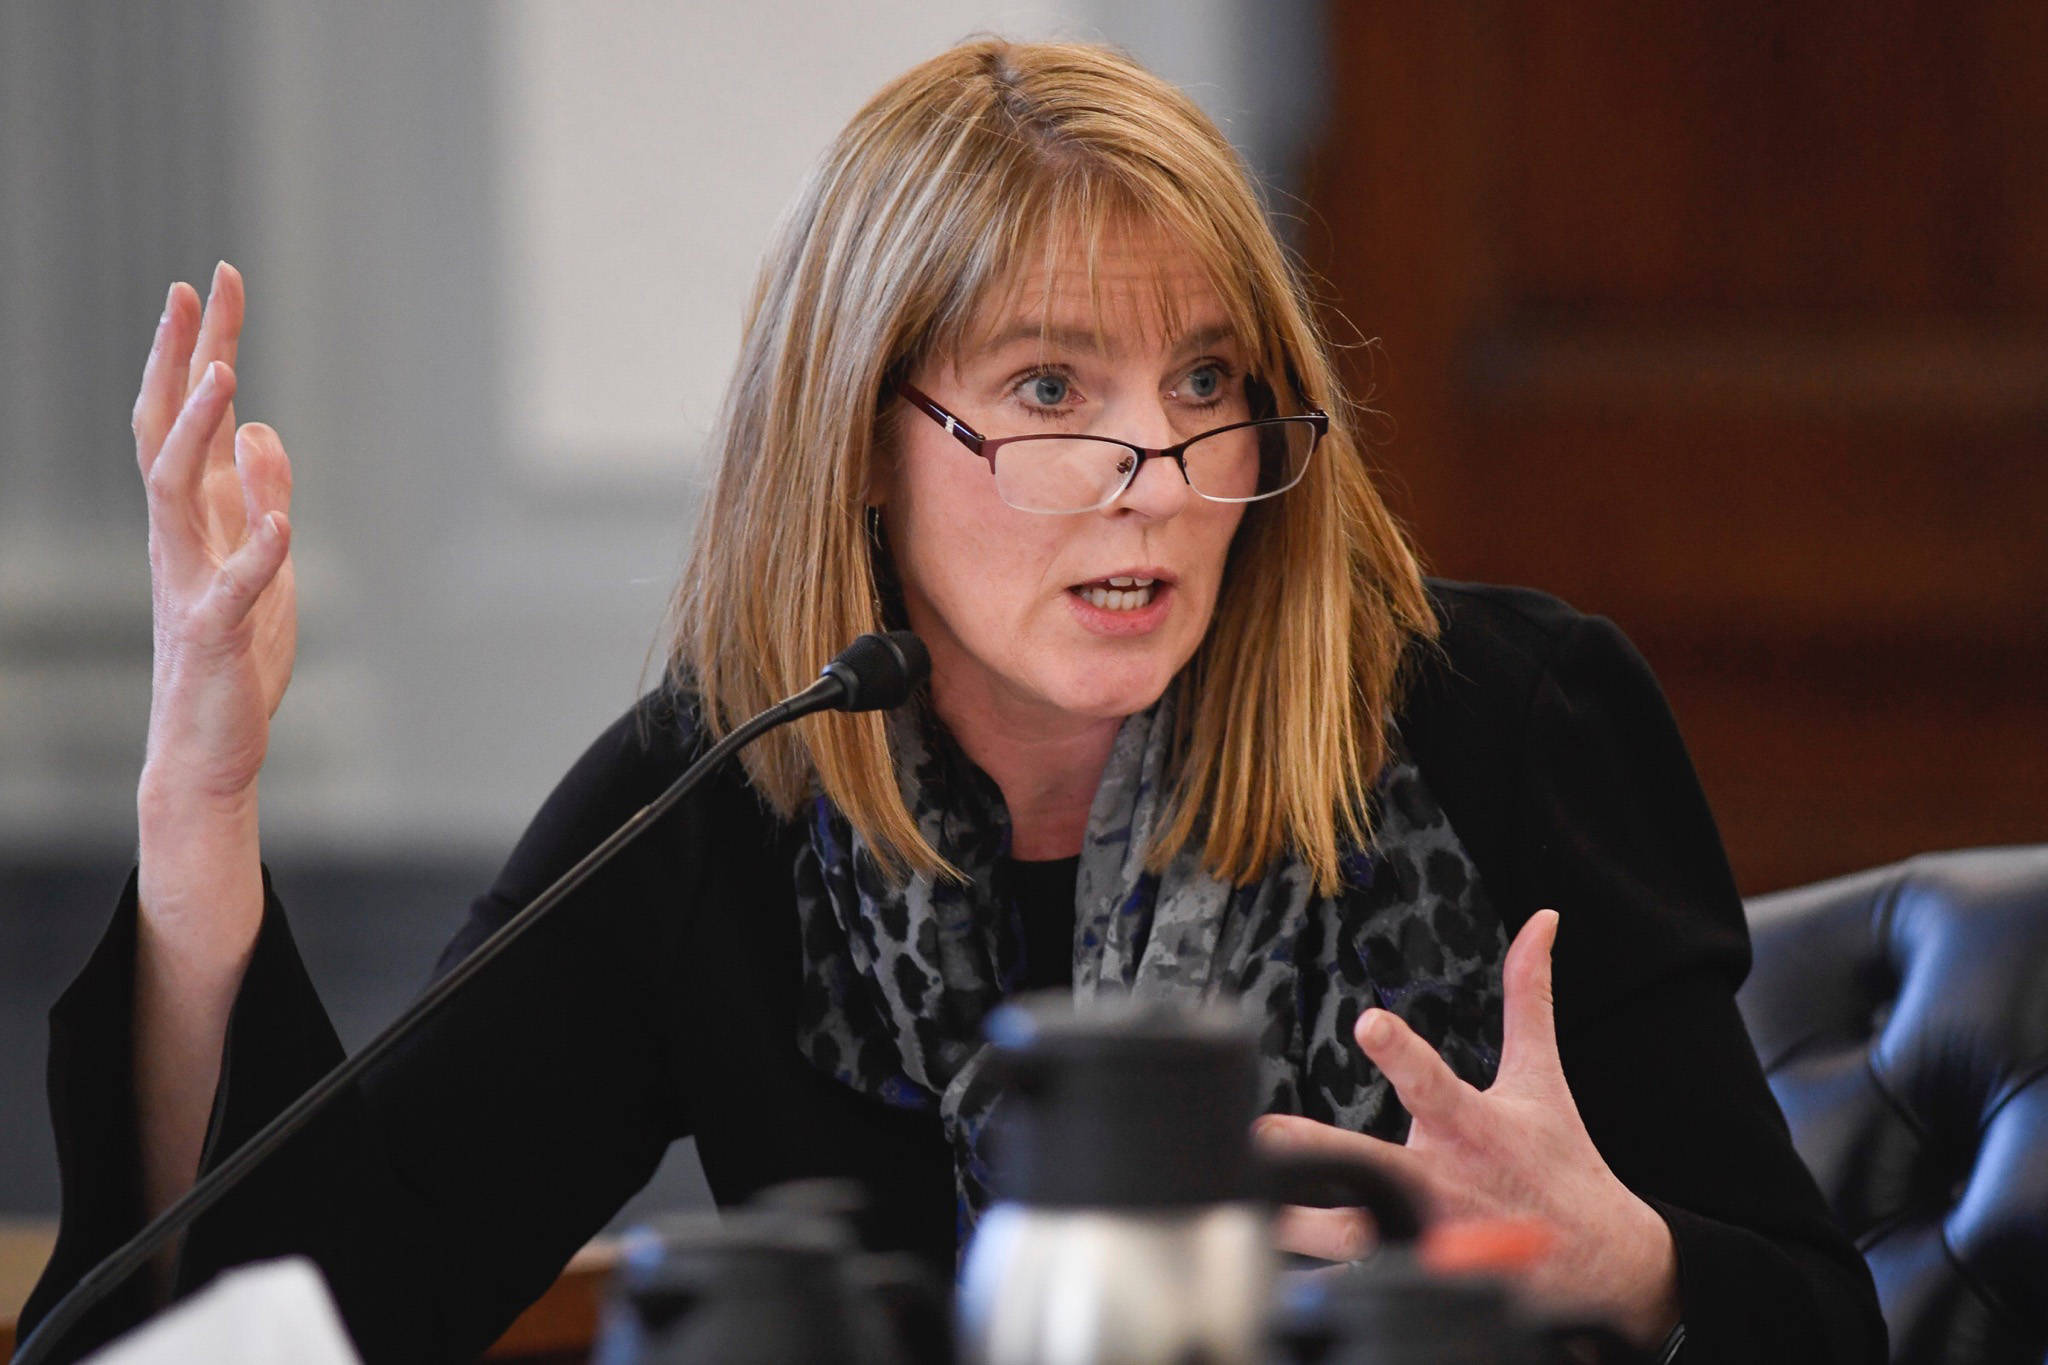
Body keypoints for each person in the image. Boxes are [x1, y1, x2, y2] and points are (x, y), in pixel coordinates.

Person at [23, 38, 1883, 1365]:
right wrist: (199, 809)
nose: (1153, 467)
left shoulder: (1509, 726)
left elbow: (1822, 1318)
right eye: (1054, 390)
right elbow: (297, 1314)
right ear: (863, 445)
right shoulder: (726, 805)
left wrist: (1632, 1271)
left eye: (1207, 378)